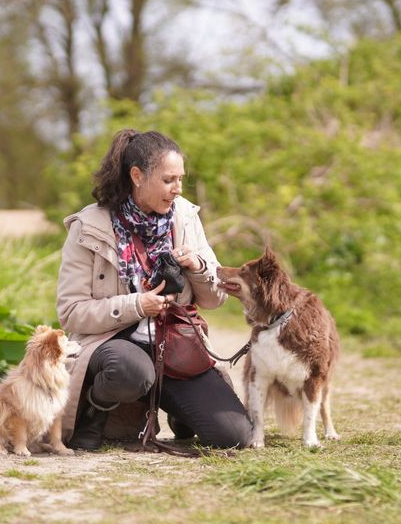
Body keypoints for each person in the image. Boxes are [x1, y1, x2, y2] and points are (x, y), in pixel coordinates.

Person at [55, 129, 254, 451]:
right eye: (168, 180)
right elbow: (71, 313)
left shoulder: (186, 217)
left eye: (181, 180)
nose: (177, 189)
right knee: (130, 369)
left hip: (175, 343)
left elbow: (215, 299)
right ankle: (95, 411)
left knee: (234, 436)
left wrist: (199, 268)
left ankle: (181, 411)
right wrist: (136, 305)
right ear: (137, 175)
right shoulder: (89, 226)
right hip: (113, 344)